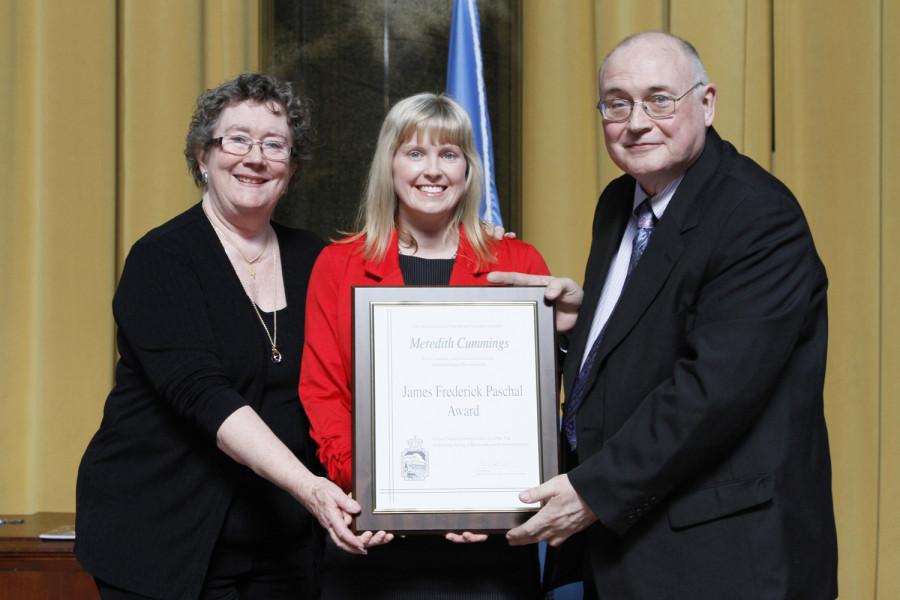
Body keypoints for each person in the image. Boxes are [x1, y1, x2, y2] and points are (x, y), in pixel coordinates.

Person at [500, 32, 838, 599]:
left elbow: (714, 392)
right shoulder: (619, 202)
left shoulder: (757, 214)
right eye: (616, 102)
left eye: (660, 98)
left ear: (706, 104)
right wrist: (583, 325)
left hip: (723, 556)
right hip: (629, 548)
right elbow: (659, 324)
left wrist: (591, 492)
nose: (636, 121)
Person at [76, 73, 370, 600]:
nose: (255, 158)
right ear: (202, 157)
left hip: (283, 543)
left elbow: (374, 357)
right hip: (162, 541)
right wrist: (312, 489)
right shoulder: (162, 259)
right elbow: (205, 395)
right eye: (236, 139)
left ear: (292, 169)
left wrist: (481, 252)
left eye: (274, 145)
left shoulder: (317, 260)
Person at [299, 92, 549, 598]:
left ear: (468, 169)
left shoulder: (517, 263)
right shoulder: (338, 265)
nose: (431, 170)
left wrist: (496, 499)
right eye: (414, 153)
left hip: (488, 551)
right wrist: (372, 489)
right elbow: (323, 395)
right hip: (373, 540)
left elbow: (537, 400)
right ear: (389, 164)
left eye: (448, 154)